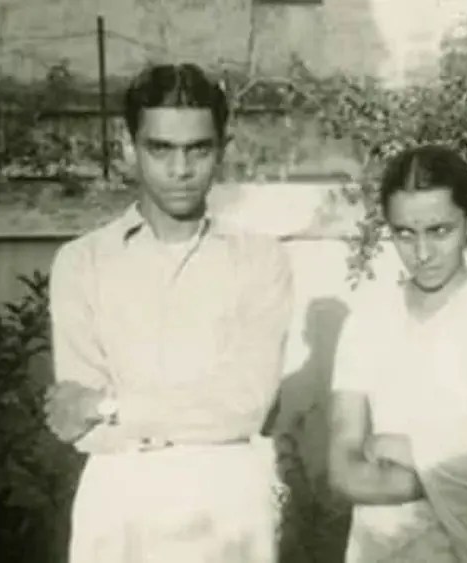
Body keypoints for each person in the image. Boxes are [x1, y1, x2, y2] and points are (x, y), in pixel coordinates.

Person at [44, 63, 294, 562]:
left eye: (197, 149)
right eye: (160, 148)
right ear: (127, 146)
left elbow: (244, 407)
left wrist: (109, 406)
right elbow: (79, 427)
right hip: (118, 507)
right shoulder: (81, 263)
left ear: (222, 148)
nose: (180, 170)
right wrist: (194, 413)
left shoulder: (261, 260)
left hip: (229, 509)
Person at [327, 145, 467, 562]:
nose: (423, 253)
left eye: (439, 231)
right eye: (404, 233)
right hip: (386, 548)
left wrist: (400, 450)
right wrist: (457, 469)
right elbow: (344, 471)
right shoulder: (366, 325)